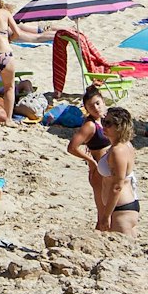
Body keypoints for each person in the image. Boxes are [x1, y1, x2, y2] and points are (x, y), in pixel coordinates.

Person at [65, 86, 111, 216]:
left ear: (103, 101)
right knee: (103, 212)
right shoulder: (90, 125)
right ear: (86, 109)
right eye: (91, 107)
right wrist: (90, 160)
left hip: (109, 169)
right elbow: (72, 147)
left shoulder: (106, 119)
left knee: (111, 209)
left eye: (98, 103)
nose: (96, 108)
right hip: (99, 170)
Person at [95, 107, 140, 235]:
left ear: (120, 127)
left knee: (124, 251)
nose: (104, 126)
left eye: (108, 123)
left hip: (121, 209)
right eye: (104, 122)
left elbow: (117, 186)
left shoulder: (117, 151)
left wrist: (106, 215)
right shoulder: (123, 146)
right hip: (124, 207)